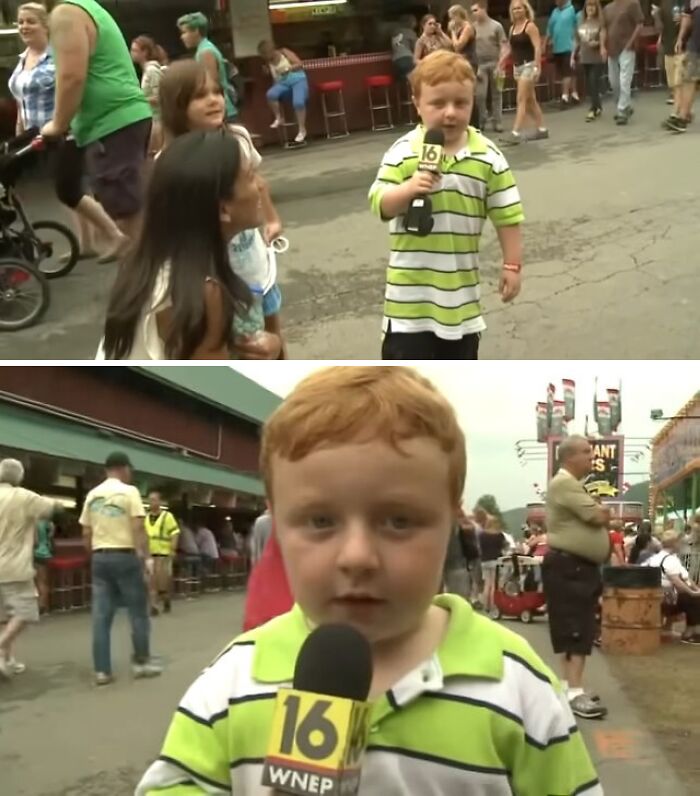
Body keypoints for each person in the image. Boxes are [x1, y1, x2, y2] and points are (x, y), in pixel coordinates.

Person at [136, 366, 601, 796]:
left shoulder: (514, 681)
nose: (357, 556)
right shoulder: (233, 681)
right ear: (276, 524)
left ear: (452, 523)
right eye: (320, 520)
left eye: (398, 520)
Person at [368, 50, 524, 361]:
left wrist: (512, 265)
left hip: (461, 303)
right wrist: (410, 188)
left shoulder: (488, 156)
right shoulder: (403, 152)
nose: (450, 113)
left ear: (472, 102)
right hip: (407, 305)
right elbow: (379, 202)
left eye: (460, 103)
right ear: (417, 104)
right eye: (438, 104)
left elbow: (507, 215)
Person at [99, 130, 271, 360]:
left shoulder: (145, 265)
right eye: (251, 177)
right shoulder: (202, 294)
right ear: (223, 209)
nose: (261, 186)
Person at [158, 61, 285, 359]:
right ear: (177, 105)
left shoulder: (237, 138)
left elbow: (258, 182)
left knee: (271, 337)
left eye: (217, 91)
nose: (214, 99)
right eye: (200, 95)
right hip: (215, 277)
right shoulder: (172, 161)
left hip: (253, 263)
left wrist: (272, 219)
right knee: (234, 344)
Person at [9, 2, 126, 262]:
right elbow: (22, 97)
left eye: (30, 21)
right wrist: (22, 125)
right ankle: (87, 244)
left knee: (68, 189)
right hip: (37, 135)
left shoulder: (57, 55)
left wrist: (62, 123)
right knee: (71, 189)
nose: (24, 26)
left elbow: (73, 85)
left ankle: (116, 235)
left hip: (64, 130)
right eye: (20, 22)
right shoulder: (23, 59)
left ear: (45, 25)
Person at [42, 0, 153, 241]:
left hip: (110, 122)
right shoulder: (88, 6)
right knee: (131, 208)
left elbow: (71, 77)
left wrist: (57, 125)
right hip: (124, 117)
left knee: (127, 217)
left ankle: (143, 276)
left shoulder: (66, 13)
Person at [542, 435, 611, 720]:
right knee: (574, 627)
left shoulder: (570, 485)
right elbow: (597, 517)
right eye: (585, 451)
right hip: (570, 567)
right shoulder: (564, 483)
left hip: (577, 567)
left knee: (577, 626)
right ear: (569, 456)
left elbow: (599, 514)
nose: (590, 456)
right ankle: (574, 693)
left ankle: (572, 687)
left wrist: (600, 511)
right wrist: (600, 511)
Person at [79, 452, 162, 685]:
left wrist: (93, 554)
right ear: (124, 469)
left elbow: (85, 531)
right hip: (125, 556)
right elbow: (137, 528)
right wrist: (144, 557)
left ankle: (102, 671)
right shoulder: (130, 492)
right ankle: (142, 663)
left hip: (100, 557)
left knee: (101, 616)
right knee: (137, 612)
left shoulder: (92, 495)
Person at [0, 458, 56, 679]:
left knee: (3, 617)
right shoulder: (23, 496)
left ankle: (7, 660)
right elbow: (52, 508)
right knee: (26, 611)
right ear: (18, 476)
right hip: (15, 567)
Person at [500, 0, 549, 144]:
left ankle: (515, 132)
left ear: (525, 9)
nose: (517, 11)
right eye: (514, 9)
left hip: (529, 65)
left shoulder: (530, 26)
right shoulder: (512, 28)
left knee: (521, 99)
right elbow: (510, 48)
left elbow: (537, 47)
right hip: (517, 67)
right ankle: (542, 129)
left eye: (519, 8)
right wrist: (502, 61)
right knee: (530, 101)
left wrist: (537, 67)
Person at [642, 530, 700, 644]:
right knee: (692, 599)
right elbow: (678, 581)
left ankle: (691, 631)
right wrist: (693, 592)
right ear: (675, 543)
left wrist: (696, 589)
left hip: (650, 595)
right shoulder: (671, 560)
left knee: (690, 596)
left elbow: (686, 577)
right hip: (665, 598)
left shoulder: (654, 558)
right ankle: (691, 633)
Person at [177, 12, 236, 122]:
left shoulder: (205, 52)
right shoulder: (203, 48)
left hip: (220, 110)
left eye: (184, 32)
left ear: (196, 31)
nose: (182, 37)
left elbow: (210, 84)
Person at [257, 40, 309, 144]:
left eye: (265, 54)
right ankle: (278, 117)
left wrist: (288, 68)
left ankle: (302, 129)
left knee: (298, 102)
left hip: (298, 80)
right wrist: (266, 72)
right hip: (283, 84)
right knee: (270, 94)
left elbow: (300, 64)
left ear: (271, 50)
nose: (265, 57)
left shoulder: (284, 52)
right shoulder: (268, 62)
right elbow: (273, 77)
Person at [603, 0, 644, 125]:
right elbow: (604, 28)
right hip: (611, 47)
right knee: (613, 80)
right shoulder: (608, 8)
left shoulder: (632, 4)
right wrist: (603, 46)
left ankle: (621, 110)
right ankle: (625, 105)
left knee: (625, 79)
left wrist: (631, 42)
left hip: (627, 47)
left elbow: (639, 24)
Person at [471, 0, 507, 133]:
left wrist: (501, 63)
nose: (474, 13)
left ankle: (497, 121)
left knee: (497, 93)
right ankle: (482, 119)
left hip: (495, 63)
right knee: (480, 95)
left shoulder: (496, 26)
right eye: (472, 11)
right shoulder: (472, 27)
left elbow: (504, 45)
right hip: (480, 64)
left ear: (483, 9)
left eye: (476, 10)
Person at [664, 0, 700, 132]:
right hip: (695, 44)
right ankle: (683, 118)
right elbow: (687, 16)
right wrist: (680, 38)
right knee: (688, 79)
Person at [130, 35, 168, 154]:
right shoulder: (147, 70)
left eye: (135, 50)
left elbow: (159, 97)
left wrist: (138, 99)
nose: (131, 53)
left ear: (145, 52)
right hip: (151, 119)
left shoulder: (152, 71)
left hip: (157, 121)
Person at [144, 491, 179, 616]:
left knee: (161, 581)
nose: (151, 502)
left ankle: (165, 599)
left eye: (154, 499)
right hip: (150, 553)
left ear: (159, 501)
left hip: (163, 553)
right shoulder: (146, 517)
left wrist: (173, 549)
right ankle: (153, 606)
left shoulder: (167, 516)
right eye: (150, 499)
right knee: (151, 580)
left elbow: (174, 533)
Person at [572, 0, 608, 121]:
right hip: (584, 57)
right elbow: (577, 41)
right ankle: (598, 107)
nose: (590, 8)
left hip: (596, 57)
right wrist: (573, 55)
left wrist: (600, 45)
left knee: (593, 81)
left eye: (593, 6)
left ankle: (592, 109)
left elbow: (603, 36)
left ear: (597, 8)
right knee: (590, 85)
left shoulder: (600, 22)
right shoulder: (582, 23)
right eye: (588, 6)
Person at [448, 5, 480, 126]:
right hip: (461, 61)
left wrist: (452, 32)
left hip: (470, 62)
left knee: (470, 92)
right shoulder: (458, 28)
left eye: (452, 17)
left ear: (458, 15)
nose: (451, 21)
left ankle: (475, 123)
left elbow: (457, 46)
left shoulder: (467, 27)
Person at [545, 0, 581, 107]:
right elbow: (549, 29)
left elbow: (579, 26)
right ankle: (574, 95)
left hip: (570, 46)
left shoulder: (573, 9)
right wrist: (545, 43)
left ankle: (564, 97)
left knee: (567, 72)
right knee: (568, 73)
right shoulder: (554, 12)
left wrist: (578, 43)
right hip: (557, 47)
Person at [655, 0, 684, 113]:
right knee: (670, 74)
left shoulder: (687, 3)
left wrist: (684, 19)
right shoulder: (665, 3)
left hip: (684, 44)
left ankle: (680, 109)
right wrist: (657, 18)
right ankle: (674, 93)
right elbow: (659, 24)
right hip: (668, 42)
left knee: (680, 75)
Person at [478, 515, 507, 612]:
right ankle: (493, 604)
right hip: (496, 560)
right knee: (494, 584)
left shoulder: (482, 535)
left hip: (485, 561)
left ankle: (486, 605)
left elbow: (480, 547)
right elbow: (504, 546)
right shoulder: (500, 535)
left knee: (487, 584)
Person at [34, 516, 54, 614]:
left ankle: (40, 605)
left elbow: (35, 541)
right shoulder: (48, 522)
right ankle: (46, 606)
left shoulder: (34, 523)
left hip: (36, 553)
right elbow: (50, 536)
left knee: (38, 581)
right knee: (43, 581)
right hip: (46, 552)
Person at [390, 14, 418, 81]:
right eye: (414, 22)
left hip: (395, 61)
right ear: (410, 23)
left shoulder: (394, 32)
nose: (415, 24)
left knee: (403, 80)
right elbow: (416, 47)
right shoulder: (410, 32)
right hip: (407, 59)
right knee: (416, 77)